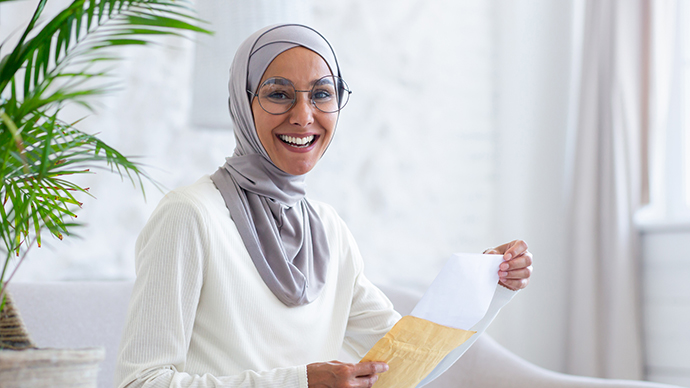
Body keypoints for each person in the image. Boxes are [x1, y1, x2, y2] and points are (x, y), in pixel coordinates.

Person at [114, 23, 533, 388]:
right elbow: (141, 382)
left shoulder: (327, 229)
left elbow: (405, 362)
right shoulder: (190, 216)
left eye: (322, 94)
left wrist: (486, 286)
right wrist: (299, 383)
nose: (303, 115)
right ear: (242, 104)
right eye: (278, 93)